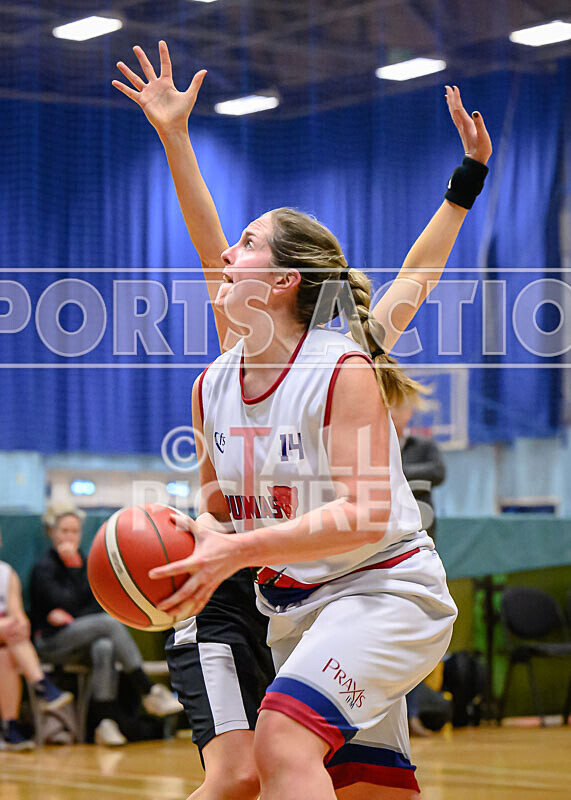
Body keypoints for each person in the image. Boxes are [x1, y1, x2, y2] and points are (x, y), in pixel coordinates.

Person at [113, 42, 492, 798]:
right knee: (364, 786)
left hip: (383, 590)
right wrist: (200, 541)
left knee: (280, 742)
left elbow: (366, 515)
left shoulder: (342, 361)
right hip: (297, 610)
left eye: (247, 243)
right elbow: (221, 508)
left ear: (284, 281)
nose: (224, 252)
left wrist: (464, 183)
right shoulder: (216, 381)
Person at [30, 504, 183, 746]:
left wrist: (74, 603)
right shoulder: (43, 568)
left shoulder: (86, 564)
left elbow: (94, 604)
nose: (69, 537)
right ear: (52, 532)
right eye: (64, 530)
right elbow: (62, 603)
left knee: (104, 646)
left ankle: (105, 722)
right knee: (108, 625)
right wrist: (71, 580)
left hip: (83, 640)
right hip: (51, 642)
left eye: (74, 531)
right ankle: (149, 691)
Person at [390, 400, 447, 737]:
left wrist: (393, 473)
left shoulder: (422, 446)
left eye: (401, 406)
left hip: (421, 550)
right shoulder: (368, 441)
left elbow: (438, 472)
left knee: (416, 636)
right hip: (383, 552)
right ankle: (400, 716)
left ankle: (415, 712)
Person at [0, 531, 73, 751]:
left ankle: (10, 727)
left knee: (6, 654)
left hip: (6, 641)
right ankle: (42, 684)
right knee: (11, 639)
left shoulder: (6, 573)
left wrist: (20, 623)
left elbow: (17, 612)